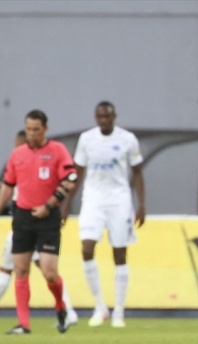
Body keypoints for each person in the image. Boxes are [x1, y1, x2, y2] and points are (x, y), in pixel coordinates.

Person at [63, 101, 145, 328]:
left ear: (114, 117)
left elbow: (137, 172)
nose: (103, 120)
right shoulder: (87, 139)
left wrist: (141, 204)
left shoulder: (127, 139)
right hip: (93, 200)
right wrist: (67, 204)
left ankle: (119, 310)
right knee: (86, 248)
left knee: (119, 253)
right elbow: (78, 173)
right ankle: (100, 307)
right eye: (99, 116)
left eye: (107, 116)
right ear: (95, 117)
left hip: (119, 200)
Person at [0, 110, 77, 334]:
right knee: (21, 269)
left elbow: (70, 179)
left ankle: (60, 306)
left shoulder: (57, 150)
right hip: (23, 216)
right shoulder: (18, 154)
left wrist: (49, 205)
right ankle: (24, 324)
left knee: (49, 272)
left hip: (48, 217)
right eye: (28, 129)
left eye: (36, 129)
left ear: (45, 129)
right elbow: (7, 186)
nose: (32, 134)